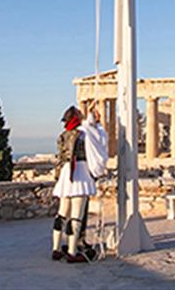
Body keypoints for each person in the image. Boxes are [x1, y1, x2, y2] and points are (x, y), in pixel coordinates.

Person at [51, 100, 108, 263]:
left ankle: (55, 249)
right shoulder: (82, 133)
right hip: (79, 172)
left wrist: (90, 114)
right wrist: (95, 120)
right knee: (76, 215)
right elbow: (96, 135)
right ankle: (72, 251)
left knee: (61, 214)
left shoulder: (62, 135)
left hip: (64, 173)